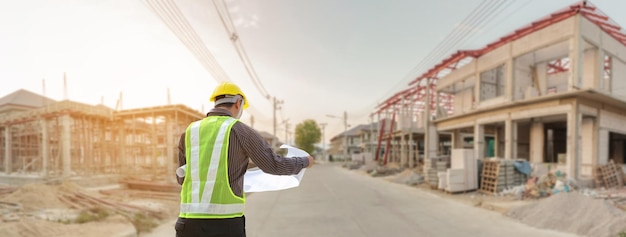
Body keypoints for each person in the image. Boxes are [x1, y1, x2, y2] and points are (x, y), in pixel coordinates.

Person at [174, 82, 314, 237]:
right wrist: (304, 161)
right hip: (225, 225)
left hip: (187, 224)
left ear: (215, 102)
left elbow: (182, 178)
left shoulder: (189, 132)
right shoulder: (241, 131)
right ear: (238, 103)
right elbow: (273, 165)